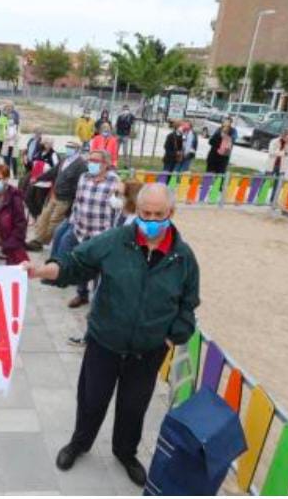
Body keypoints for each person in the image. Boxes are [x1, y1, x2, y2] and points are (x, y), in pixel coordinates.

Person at [24, 183, 200, 487]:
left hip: (147, 352)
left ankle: (125, 452)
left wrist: (172, 337)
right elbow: (76, 262)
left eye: (159, 214)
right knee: (92, 400)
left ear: (171, 213)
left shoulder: (183, 257)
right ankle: (79, 443)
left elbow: (188, 302)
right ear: (137, 210)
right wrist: (41, 271)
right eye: (146, 213)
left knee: (134, 407)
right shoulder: (116, 241)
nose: (152, 220)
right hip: (105, 345)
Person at [63, 149, 123, 309]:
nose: (91, 163)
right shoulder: (84, 177)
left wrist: (113, 233)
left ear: (106, 164)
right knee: (81, 265)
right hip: (81, 230)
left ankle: (97, 303)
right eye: (90, 160)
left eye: (96, 161)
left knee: (98, 270)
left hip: (101, 234)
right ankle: (82, 294)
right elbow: (77, 200)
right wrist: (73, 221)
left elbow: (119, 209)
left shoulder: (115, 181)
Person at [27, 141, 88, 251]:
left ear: (78, 149)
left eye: (71, 147)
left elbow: (78, 185)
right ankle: (37, 238)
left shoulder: (81, 165)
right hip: (54, 195)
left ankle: (40, 242)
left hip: (65, 199)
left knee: (54, 221)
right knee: (43, 217)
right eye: (67, 146)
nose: (68, 148)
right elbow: (52, 172)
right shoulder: (64, 160)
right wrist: (38, 178)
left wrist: (73, 201)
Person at [24, 139, 59, 219]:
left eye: (49, 143)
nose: (47, 145)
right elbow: (31, 166)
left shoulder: (53, 155)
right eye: (45, 143)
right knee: (27, 198)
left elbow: (56, 169)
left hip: (44, 183)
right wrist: (26, 162)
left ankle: (40, 218)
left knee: (40, 202)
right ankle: (36, 216)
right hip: (34, 181)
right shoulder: (38, 153)